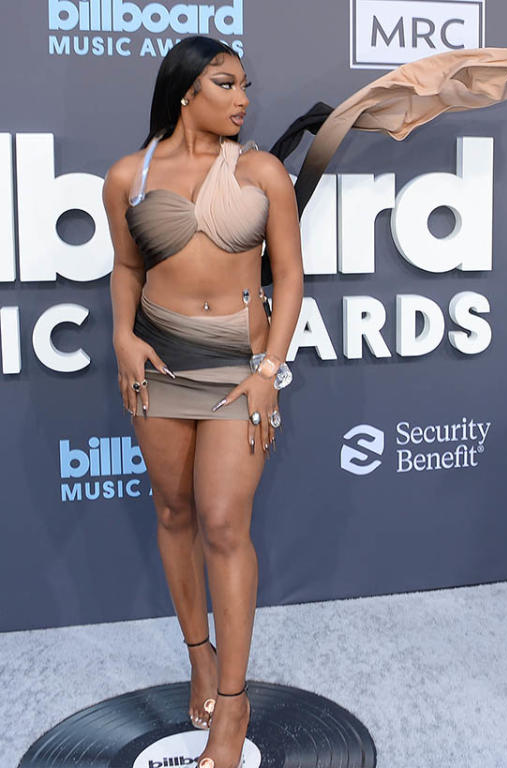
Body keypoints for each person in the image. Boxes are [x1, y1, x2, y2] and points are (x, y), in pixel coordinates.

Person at [104, 37, 303, 768]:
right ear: (187, 90)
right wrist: (122, 337)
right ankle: (199, 657)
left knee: (223, 523)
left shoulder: (261, 172)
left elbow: (291, 279)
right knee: (174, 513)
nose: (243, 97)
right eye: (227, 83)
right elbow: (127, 267)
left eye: (247, 84)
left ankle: (234, 702)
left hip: (238, 369)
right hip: (158, 365)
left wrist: (266, 370)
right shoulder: (131, 175)